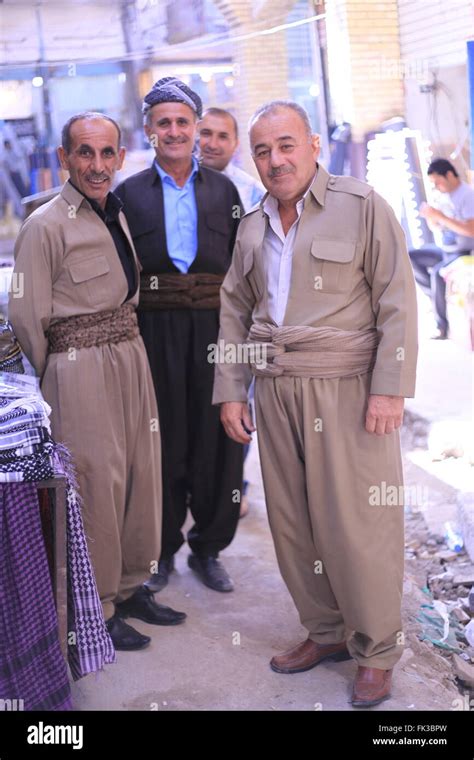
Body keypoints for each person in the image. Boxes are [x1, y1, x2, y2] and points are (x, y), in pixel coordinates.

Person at [212, 100, 418, 707]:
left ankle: (376, 651)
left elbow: (397, 302)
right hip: (276, 388)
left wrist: (390, 388)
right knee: (295, 524)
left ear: (313, 145)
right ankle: (325, 632)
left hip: (348, 387)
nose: (275, 160)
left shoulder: (361, 207)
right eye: (264, 151)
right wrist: (231, 389)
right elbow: (236, 315)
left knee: (359, 525)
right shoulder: (252, 226)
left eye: (286, 145)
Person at [9, 112, 186, 652]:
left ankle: (134, 586)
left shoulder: (116, 213)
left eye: (107, 153)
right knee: (95, 484)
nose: (97, 164)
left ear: (121, 157)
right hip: (78, 365)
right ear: (64, 158)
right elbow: (25, 318)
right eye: (85, 153)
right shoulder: (44, 225)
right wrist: (57, 379)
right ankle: (100, 606)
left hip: (129, 355)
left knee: (139, 472)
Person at [115, 79, 243, 595]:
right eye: (163, 122)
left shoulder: (225, 191)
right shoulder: (126, 195)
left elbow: (244, 271)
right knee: (160, 440)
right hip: (154, 330)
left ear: (195, 128)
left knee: (218, 436)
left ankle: (208, 549)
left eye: (182, 122)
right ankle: (160, 549)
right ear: (148, 130)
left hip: (216, 329)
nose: (174, 131)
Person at [409, 158, 474, 339]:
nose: (436, 186)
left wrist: (441, 217)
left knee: (438, 273)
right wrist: (431, 218)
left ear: (450, 175)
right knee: (411, 256)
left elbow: (471, 230)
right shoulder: (442, 196)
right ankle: (435, 297)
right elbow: (439, 227)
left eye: (438, 181)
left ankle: (442, 326)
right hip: (445, 249)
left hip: (464, 251)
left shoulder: (467, 195)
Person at [198, 107, 265, 212]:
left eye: (223, 137)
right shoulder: (172, 182)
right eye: (206, 134)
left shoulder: (253, 193)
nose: (212, 145)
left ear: (236, 144)